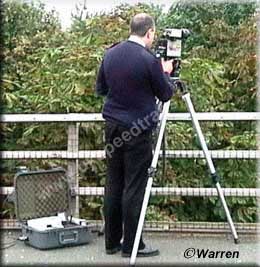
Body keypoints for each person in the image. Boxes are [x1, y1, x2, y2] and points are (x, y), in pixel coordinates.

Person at [95, 13, 174, 257]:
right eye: (154, 34)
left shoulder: (110, 53)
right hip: (137, 130)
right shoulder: (149, 59)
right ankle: (132, 245)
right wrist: (165, 72)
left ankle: (111, 243)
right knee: (134, 186)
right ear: (149, 32)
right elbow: (166, 94)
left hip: (113, 127)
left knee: (114, 182)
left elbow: (101, 89)